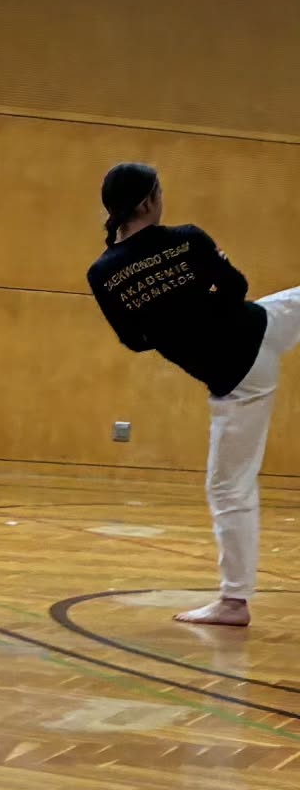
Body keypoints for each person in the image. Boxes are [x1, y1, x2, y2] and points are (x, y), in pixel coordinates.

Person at [87, 161, 300, 628]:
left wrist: (178, 324)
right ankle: (232, 601)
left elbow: (136, 340)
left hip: (240, 372)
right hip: (258, 331)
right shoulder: (187, 238)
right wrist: (202, 307)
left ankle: (234, 601)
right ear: (147, 201)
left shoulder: (102, 273)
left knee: (229, 489)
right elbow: (236, 288)